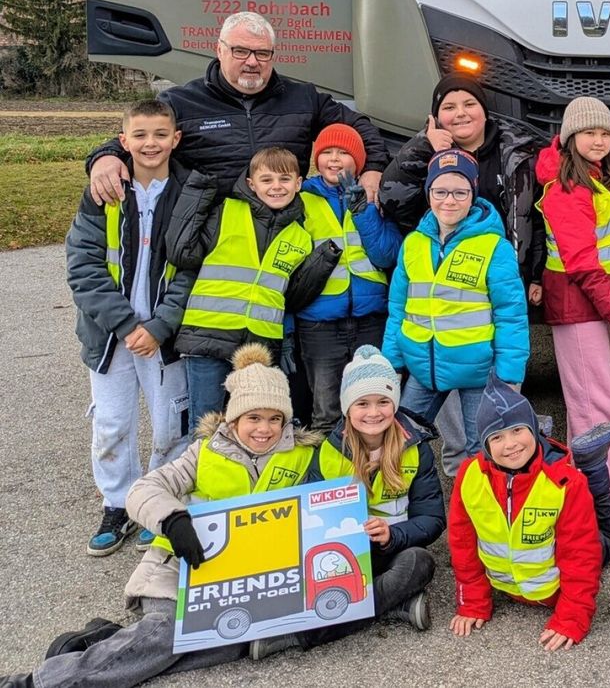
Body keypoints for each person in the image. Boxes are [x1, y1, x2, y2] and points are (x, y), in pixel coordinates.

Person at [0, 344, 320, 687]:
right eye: (253, 418)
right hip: (183, 569)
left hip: (250, 582)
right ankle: (38, 682)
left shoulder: (303, 456)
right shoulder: (204, 453)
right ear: (233, 418)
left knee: (236, 641)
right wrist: (172, 519)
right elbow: (142, 491)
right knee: (171, 632)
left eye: (275, 418)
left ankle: (108, 641)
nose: (264, 429)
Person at [248, 345, 443, 659]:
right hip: (341, 559)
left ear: (395, 405)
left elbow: (432, 518)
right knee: (305, 574)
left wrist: (395, 535)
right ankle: (395, 603)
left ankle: (298, 635)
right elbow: (309, 517)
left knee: (419, 562)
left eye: (383, 401)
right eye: (362, 403)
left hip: (394, 550)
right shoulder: (330, 450)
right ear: (347, 408)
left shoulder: (416, 448)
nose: (373, 412)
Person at [66, 99, 200, 556]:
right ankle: (118, 503)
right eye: (139, 135)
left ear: (175, 139)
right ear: (123, 141)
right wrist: (125, 325)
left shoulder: (192, 193)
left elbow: (192, 270)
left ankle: (156, 503)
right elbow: (83, 266)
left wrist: (161, 326)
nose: (150, 143)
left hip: (165, 339)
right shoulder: (103, 192)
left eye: (161, 135)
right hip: (111, 338)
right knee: (111, 426)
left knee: (170, 428)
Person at [86, 12, 389, 206]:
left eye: (262, 53)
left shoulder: (303, 98)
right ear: (219, 50)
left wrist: (373, 169)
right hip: (208, 232)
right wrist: (105, 157)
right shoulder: (181, 102)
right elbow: (141, 138)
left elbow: (360, 127)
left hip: (284, 226)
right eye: (240, 51)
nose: (252, 61)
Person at [535, 96, 610, 516]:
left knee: (588, 403)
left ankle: (585, 491)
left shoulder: (590, 177)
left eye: (605, 133)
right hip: (582, 307)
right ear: (571, 138)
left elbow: (600, 237)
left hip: (587, 308)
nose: (600, 140)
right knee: (597, 404)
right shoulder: (568, 188)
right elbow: (582, 262)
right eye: (590, 133)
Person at [166, 146, 339, 430]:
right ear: (251, 184)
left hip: (258, 345)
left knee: (257, 429)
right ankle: (206, 476)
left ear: (298, 183)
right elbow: (181, 252)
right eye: (267, 180)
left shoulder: (300, 235)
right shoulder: (227, 212)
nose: (276, 187)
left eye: (285, 180)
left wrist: (323, 260)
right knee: (206, 431)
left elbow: (292, 298)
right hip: (208, 338)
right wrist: (197, 191)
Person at [447, 377, 610, 652]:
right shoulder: (469, 476)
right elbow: (462, 544)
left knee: (609, 540)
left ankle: (592, 465)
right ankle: (541, 436)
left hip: (555, 588)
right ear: (485, 446)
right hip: (512, 589)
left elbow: (581, 556)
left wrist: (572, 617)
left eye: (518, 430)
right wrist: (472, 602)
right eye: (497, 437)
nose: (509, 444)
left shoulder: (564, 483)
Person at [383, 149, 529, 466]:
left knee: (485, 451)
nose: (449, 201)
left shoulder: (494, 246)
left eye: (460, 192)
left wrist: (509, 374)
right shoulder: (413, 244)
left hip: (478, 372)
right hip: (423, 369)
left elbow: (512, 317)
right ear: (428, 193)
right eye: (440, 191)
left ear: (472, 194)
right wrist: (391, 366)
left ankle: (482, 512)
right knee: (397, 439)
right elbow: (398, 311)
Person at [379, 73, 546, 301]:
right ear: (436, 118)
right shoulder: (424, 155)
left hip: (503, 282)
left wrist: (536, 276)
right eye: (449, 107)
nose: (460, 113)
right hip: (443, 287)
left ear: (484, 112)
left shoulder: (518, 156)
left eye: (469, 104)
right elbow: (391, 199)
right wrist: (424, 146)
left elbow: (535, 221)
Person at [295, 123, 402, 432]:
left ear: (358, 161)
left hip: (370, 320)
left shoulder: (375, 197)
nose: (334, 159)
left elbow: (385, 254)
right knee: (327, 412)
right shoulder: (301, 199)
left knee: (376, 410)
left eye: (343, 153)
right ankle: (332, 478)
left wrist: (364, 212)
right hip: (319, 323)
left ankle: (377, 478)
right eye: (327, 152)